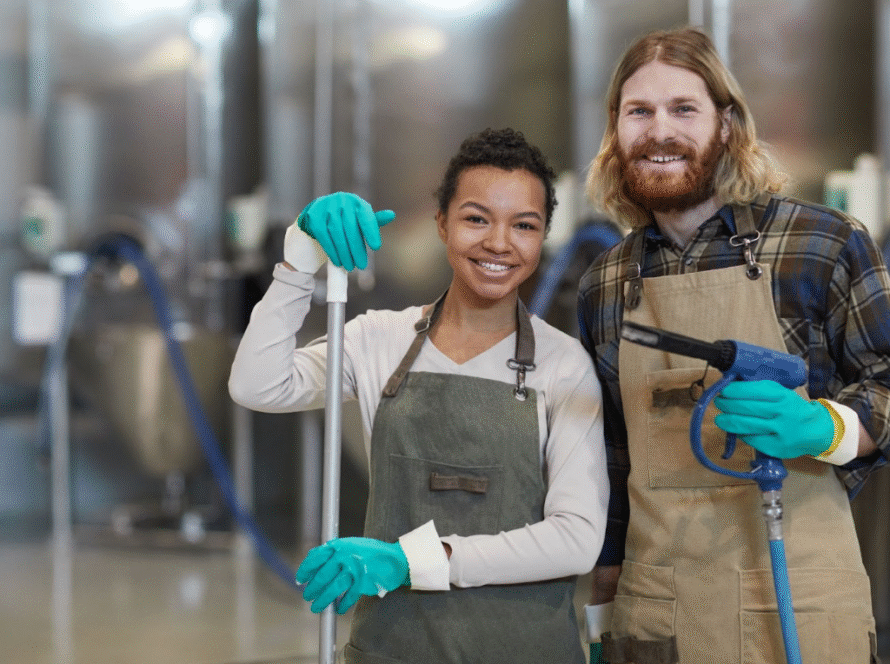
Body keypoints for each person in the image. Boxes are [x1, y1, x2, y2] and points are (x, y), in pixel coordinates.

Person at [229, 127, 609, 663]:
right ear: (441, 224)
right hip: (392, 649)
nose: (499, 243)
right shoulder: (377, 339)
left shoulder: (563, 364)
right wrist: (299, 260)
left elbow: (576, 539)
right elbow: (256, 384)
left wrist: (409, 561)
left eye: (524, 225)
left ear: (543, 236)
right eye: (476, 218)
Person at [577, 27, 890, 664]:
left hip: (797, 602)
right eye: (639, 111)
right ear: (617, 131)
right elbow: (609, 460)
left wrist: (825, 426)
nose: (658, 131)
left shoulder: (823, 244)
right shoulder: (605, 282)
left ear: (727, 123)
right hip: (657, 610)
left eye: (683, 109)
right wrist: (599, 613)